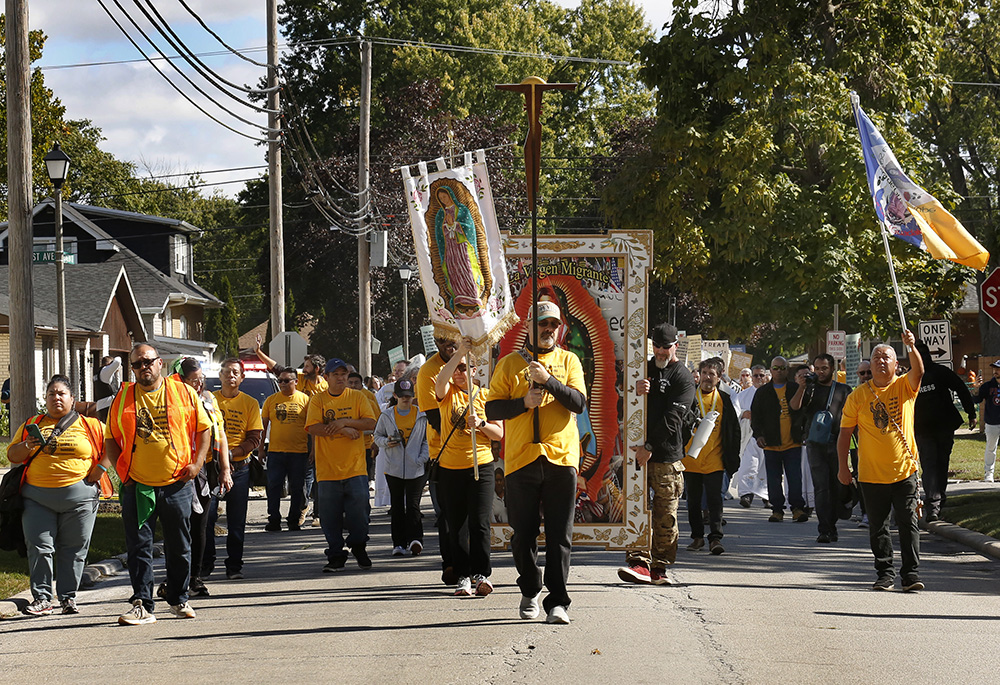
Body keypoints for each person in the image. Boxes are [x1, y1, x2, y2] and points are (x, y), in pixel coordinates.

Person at [488, 301, 586, 624]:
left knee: (560, 534)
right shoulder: (509, 364)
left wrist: (549, 381)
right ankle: (530, 587)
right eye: (542, 323)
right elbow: (492, 410)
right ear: (529, 326)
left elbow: (578, 402)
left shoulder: (568, 360)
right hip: (520, 460)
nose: (548, 329)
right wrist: (524, 402)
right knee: (523, 535)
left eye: (554, 325)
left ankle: (558, 602)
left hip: (561, 458)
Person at [106, 344, 211, 625]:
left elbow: (204, 430)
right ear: (132, 369)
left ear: (160, 363)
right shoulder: (124, 397)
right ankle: (142, 603)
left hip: (177, 483)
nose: (144, 368)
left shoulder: (183, 392)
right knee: (139, 546)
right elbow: (110, 439)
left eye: (148, 362)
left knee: (180, 545)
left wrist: (198, 464)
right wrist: (121, 471)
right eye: (138, 364)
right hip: (138, 485)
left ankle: (178, 598)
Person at [8, 376, 107, 616]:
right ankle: (42, 598)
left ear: (72, 399)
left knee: (74, 549)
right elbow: (12, 455)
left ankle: (68, 598)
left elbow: (112, 447)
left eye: (61, 393)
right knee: (40, 547)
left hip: (80, 500)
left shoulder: (90, 425)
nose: (56, 398)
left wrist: (101, 469)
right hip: (37, 499)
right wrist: (28, 445)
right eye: (51, 394)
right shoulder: (32, 424)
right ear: (46, 399)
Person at [838, 331, 925, 592]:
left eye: (886, 357)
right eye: (876, 357)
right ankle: (884, 573)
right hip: (870, 474)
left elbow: (919, 371)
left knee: (908, 524)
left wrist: (911, 346)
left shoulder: (905, 386)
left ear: (896, 364)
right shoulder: (857, 396)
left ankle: (910, 575)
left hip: (904, 471)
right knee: (878, 527)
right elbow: (844, 434)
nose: (880, 361)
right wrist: (843, 467)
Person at [617, 323, 695, 585]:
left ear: (675, 346)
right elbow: (621, 402)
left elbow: (674, 417)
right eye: (657, 346)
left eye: (666, 347)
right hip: (636, 451)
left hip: (666, 456)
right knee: (636, 509)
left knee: (665, 515)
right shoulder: (642, 369)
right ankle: (638, 562)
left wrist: (649, 447)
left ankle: (660, 566)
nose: (661, 352)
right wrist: (636, 393)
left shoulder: (682, 376)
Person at [435, 338, 503, 596]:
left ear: (475, 371)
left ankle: (481, 573)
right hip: (451, 468)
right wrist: (459, 354)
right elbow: (440, 380)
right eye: (457, 369)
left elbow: (498, 434)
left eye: (465, 369)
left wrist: (481, 424)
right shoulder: (447, 392)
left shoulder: (486, 396)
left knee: (480, 523)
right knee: (457, 525)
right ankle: (462, 574)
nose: (460, 374)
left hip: (481, 466)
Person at [305, 358, 377, 572]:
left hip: (355, 469)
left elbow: (370, 423)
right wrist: (341, 430)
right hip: (328, 471)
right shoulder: (318, 400)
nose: (340, 378)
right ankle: (336, 554)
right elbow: (313, 427)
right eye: (335, 374)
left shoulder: (357, 397)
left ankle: (358, 545)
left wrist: (345, 422)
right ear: (325, 377)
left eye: (343, 374)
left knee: (360, 514)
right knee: (330, 518)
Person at [172, 359, 231, 600]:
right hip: (179, 471)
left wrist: (225, 469)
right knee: (178, 527)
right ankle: (176, 577)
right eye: (193, 380)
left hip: (204, 470)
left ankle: (195, 577)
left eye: (201, 380)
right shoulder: (172, 400)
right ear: (180, 379)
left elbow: (221, 434)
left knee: (200, 526)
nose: (198, 385)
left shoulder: (209, 398)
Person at [205, 358, 263, 580]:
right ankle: (206, 563)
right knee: (207, 519)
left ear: (242, 377)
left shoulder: (249, 403)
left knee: (236, 522)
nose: (231, 376)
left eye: (235, 372)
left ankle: (234, 566)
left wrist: (230, 454)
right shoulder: (210, 400)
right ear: (220, 376)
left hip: (240, 469)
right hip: (211, 469)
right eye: (226, 372)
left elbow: (254, 438)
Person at [416, 337, 464, 585]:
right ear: (435, 340)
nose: (449, 343)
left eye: (453, 337)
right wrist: (463, 436)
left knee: (474, 516)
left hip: (478, 454)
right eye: (443, 339)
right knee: (447, 514)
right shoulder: (428, 371)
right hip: (444, 453)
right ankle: (451, 565)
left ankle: (476, 570)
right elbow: (435, 417)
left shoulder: (474, 361)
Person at [913, 342, 977, 522]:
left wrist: (971, 413)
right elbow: (961, 388)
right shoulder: (911, 376)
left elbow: (961, 388)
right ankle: (934, 504)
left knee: (935, 465)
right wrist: (971, 413)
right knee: (935, 465)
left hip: (938, 427)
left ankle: (936, 502)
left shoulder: (932, 373)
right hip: (927, 429)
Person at [682, 358, 740, 555]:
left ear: (719, 377)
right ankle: (697, 537)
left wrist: (732, 457)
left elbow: (734, 430)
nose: (707, 377)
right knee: (693, 502)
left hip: (715, 459)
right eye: (704, 373)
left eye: (712, 374)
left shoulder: (724, 399)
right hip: (690, 460)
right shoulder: (689, 396)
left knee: (715, 501)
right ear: (699, 375)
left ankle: (715, 539)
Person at [791, 354, 851, 543]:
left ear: (832, 369)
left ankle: (833, 524)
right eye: (817, 368)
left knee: (836, 485)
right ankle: (824, 529)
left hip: (837, 442)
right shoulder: (810, 388)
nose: (820, 372)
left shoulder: (844, 390)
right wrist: (802, 386)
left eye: (824, 368)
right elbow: (794, 406)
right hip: (815, 443)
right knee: (821, 487)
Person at [373, 378, 429, 556]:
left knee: (413, 505)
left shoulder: (421, 415)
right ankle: (398, 543)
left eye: (409, 396)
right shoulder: (387, 415)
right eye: (402, 396)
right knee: (397, 506)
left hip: (416, 468)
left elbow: (428, 440)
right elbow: (377, 436)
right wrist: (386, 442)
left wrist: (421, 458)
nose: (406, 399)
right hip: (393, 468)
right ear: (395, 396)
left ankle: (415, 540)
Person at [751, 356, 806, 522]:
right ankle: (777, 510)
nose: (779, 371)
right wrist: (758, 435)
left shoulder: (795, 388)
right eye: (776, 368)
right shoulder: (762, 392)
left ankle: (797, 509)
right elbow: (756, 417)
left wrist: (804, 432)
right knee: (774, 480)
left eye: (783, 368)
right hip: (771, 444)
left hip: (793, 443)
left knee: (795, 478)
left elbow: (804, 412)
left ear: (788, 370)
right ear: (771, 370)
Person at [261, 367, 310, 532]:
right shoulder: (271, 400)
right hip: (276, 452)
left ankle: (294, 520)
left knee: (297, 487)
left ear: (295, 382)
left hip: (299, 452)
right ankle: (274, 519)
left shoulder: (305, 400)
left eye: (286, 380)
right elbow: (263, 427)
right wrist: (261, 449)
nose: (282, 383)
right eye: (280, 380)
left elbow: (312, 428)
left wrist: (314, 451)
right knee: (274, 486)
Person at [733, 365, 768, 508]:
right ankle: (746, 494)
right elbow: (735, 411)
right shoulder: (743, 395)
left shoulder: (772, 393)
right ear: (751, 377)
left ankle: (767, 495)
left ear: (765, 376)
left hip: (767, 435)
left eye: (761, 375)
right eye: (756, 376)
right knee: (749, 464)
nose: (758, 378)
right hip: (749, 436)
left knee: (766, 466)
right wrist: (743, 413)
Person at [972, 360, 1000, 482]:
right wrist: (976, 388)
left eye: (998, 369)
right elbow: (976, 399)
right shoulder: (988, 386)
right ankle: (989, 473)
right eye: (994, 369)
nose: (995, 371)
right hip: (992, 422)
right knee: (991, 448)